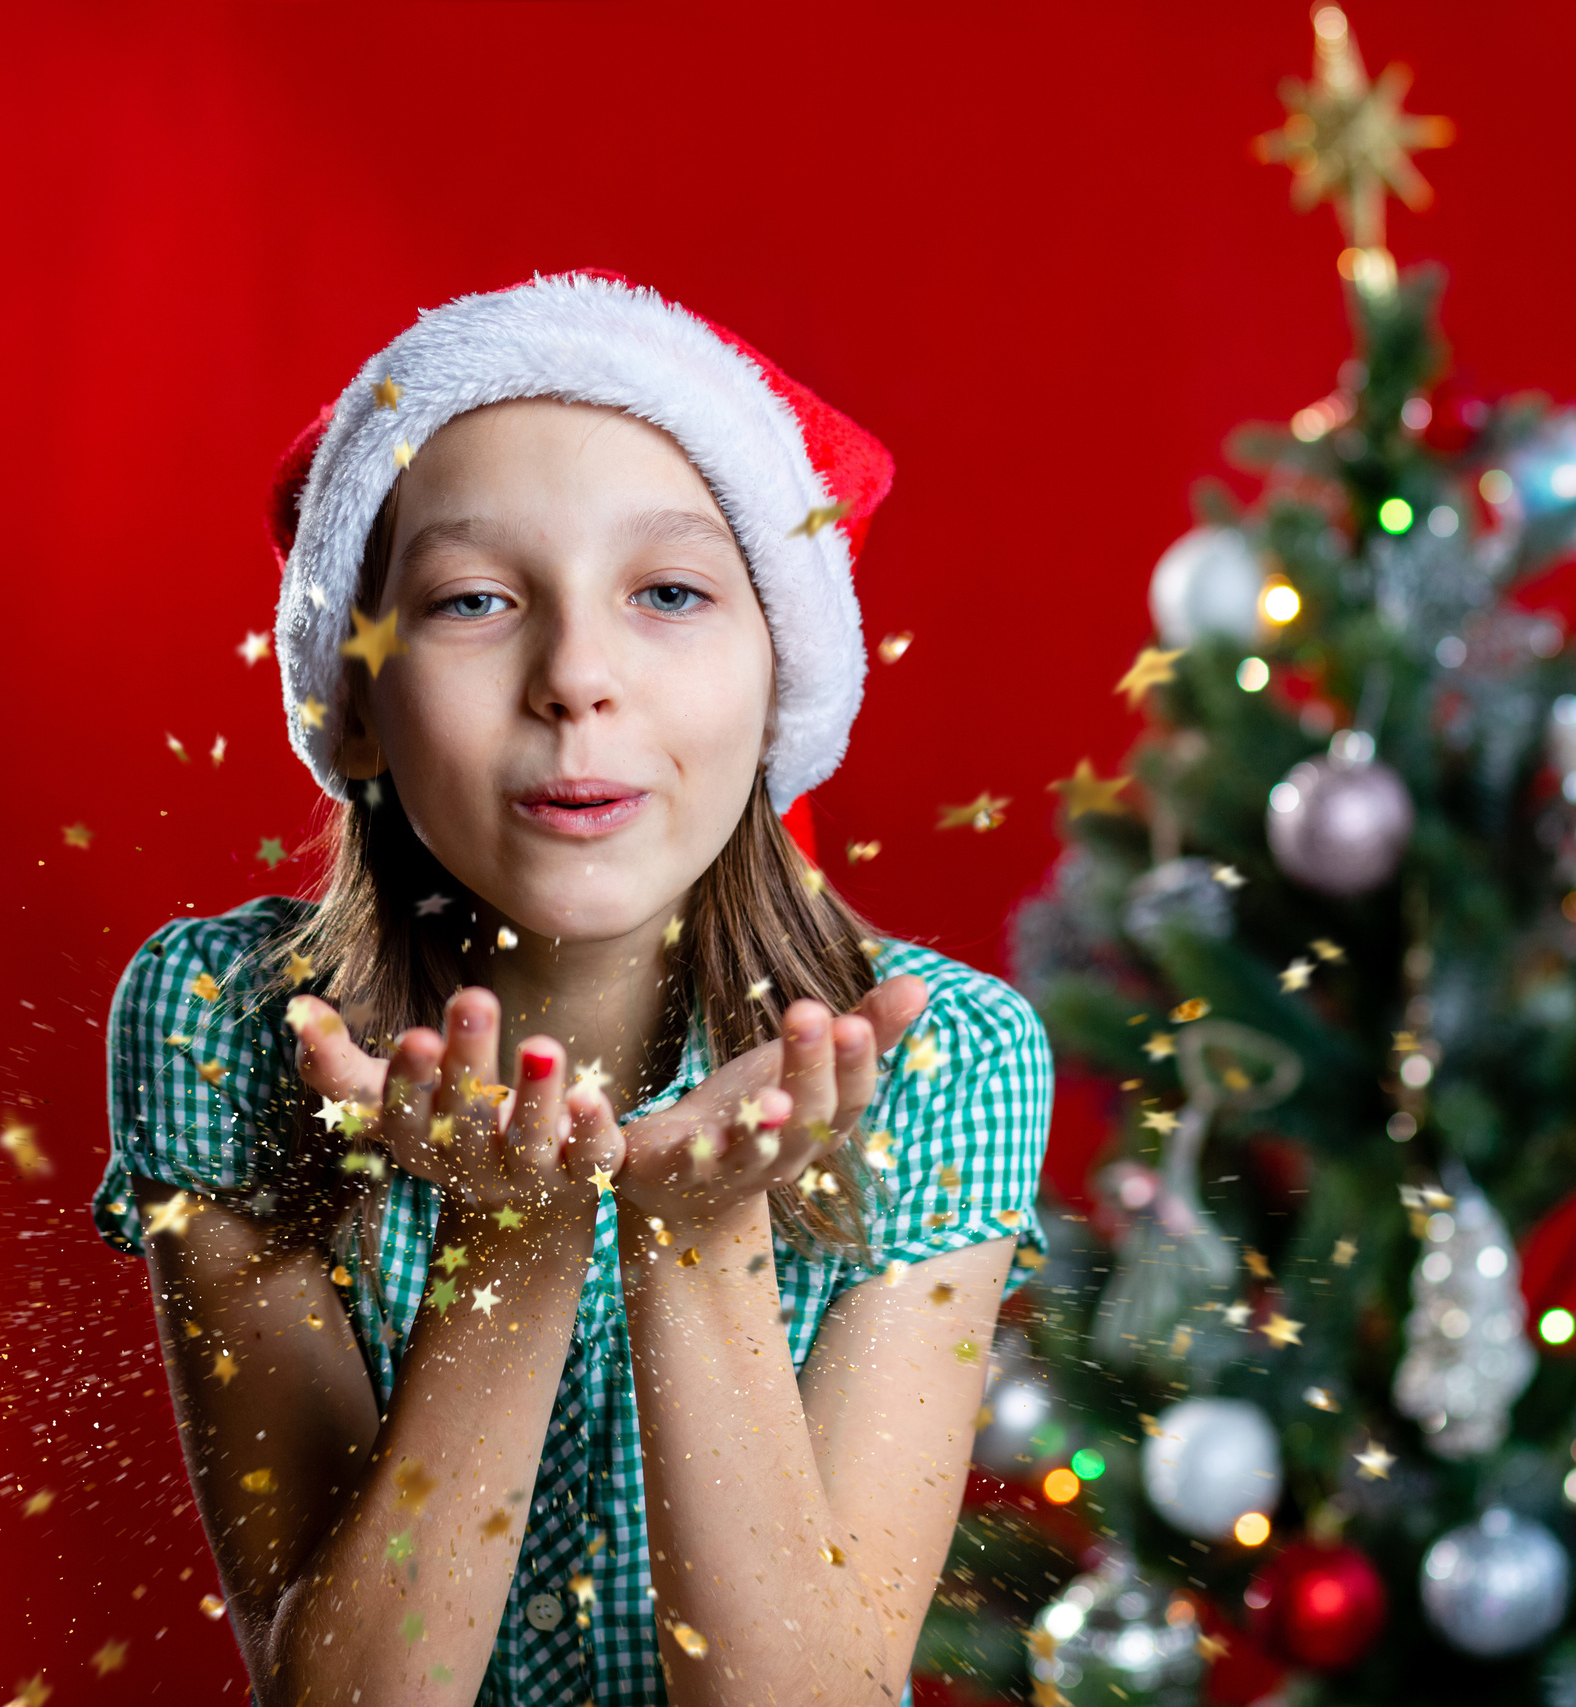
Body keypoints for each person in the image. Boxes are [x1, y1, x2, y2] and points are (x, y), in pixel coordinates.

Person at [88, 272, 1052, 1707]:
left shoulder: (943, 1061)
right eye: (475, 600)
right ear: (349, 698)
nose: (577, 678)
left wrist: (697, 1239)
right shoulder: (227, 1028)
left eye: (669, 592)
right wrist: (515, 1251)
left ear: (785, 667)